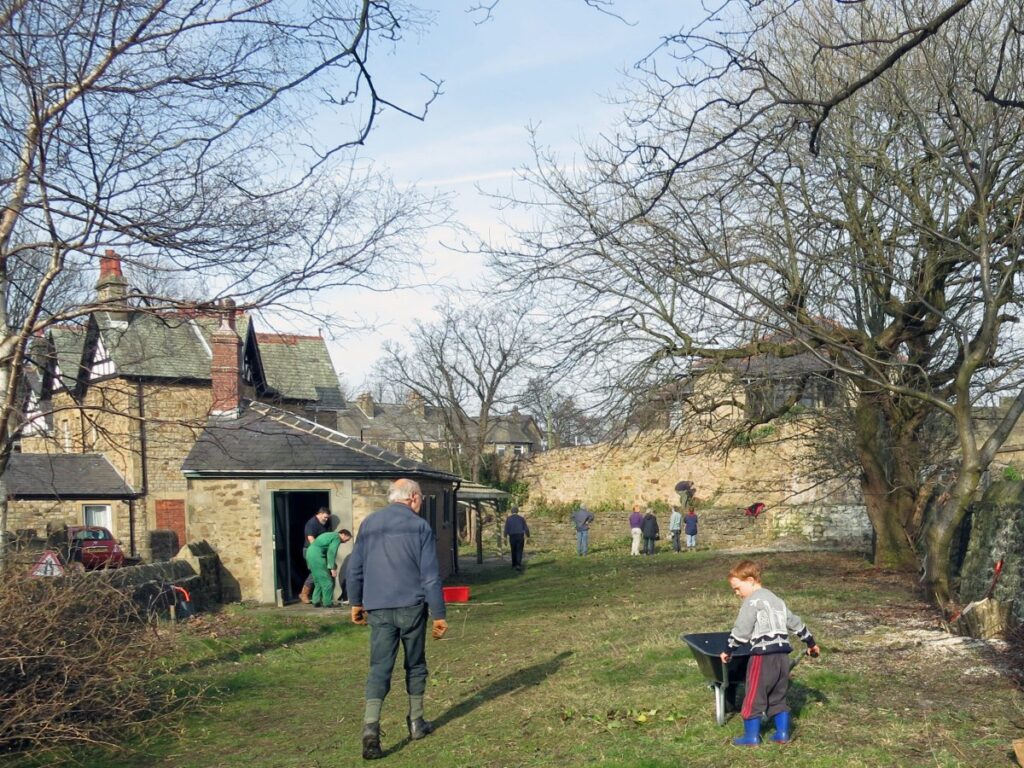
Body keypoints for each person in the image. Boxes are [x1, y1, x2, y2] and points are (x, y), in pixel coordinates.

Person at [348, 478, 448, 761]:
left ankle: (370, 729)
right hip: (411, 607)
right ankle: (416, 721)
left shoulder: (369, 523)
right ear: (414, 497)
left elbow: (355, 568)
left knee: (379, 668)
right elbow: (430, 576)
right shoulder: (420, 527)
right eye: (422, 500)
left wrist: (356, 602)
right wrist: (439, 614)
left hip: (378, 608)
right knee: (415, 664)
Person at [719, 560, 820, 746]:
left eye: (737, 588)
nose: (737, 593)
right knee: (777, 695)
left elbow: (742, 631)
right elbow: (796, 623)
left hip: (762, 657)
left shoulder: (752, 601)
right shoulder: (777, 600)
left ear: (750, 580)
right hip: (782, 656)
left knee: (754, 695)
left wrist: (728, 650)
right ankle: (782, 734)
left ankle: (751, 737)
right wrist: (811, 643)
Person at [304, 528, 349, 608]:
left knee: (318, 581)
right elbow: (331, 553)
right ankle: (327, 603)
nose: (346, 542)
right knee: (328, 583)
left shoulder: (330, 535)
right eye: (347, 539)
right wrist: (332, 568)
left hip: (310, 553)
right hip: (317, 556)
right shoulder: (336, 538)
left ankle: (316, 601)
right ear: (343, 534)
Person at [299, 506, 330, 604]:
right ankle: (304, 594)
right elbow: (311, 539)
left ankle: (318, 596)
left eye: (327, 517)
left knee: (319, 572)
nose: (326, 519)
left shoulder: (323, 523)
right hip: (311, 551)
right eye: (325, 517)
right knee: (315, 572)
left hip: (318, 551)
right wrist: (319, 550)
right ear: (319, 514)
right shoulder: (312, 523)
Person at [503, 507, 530, 571]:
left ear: (511, 512)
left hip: (512, 536)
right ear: (517, 511)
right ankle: (518, 565)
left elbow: (506, 529)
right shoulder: (521, 519)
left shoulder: (508, 519)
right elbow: (526, 528)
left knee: (513, 550)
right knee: (519, 550)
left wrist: (505, 537)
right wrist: (528, 536)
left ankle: (514, 564)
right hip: (520, 536)